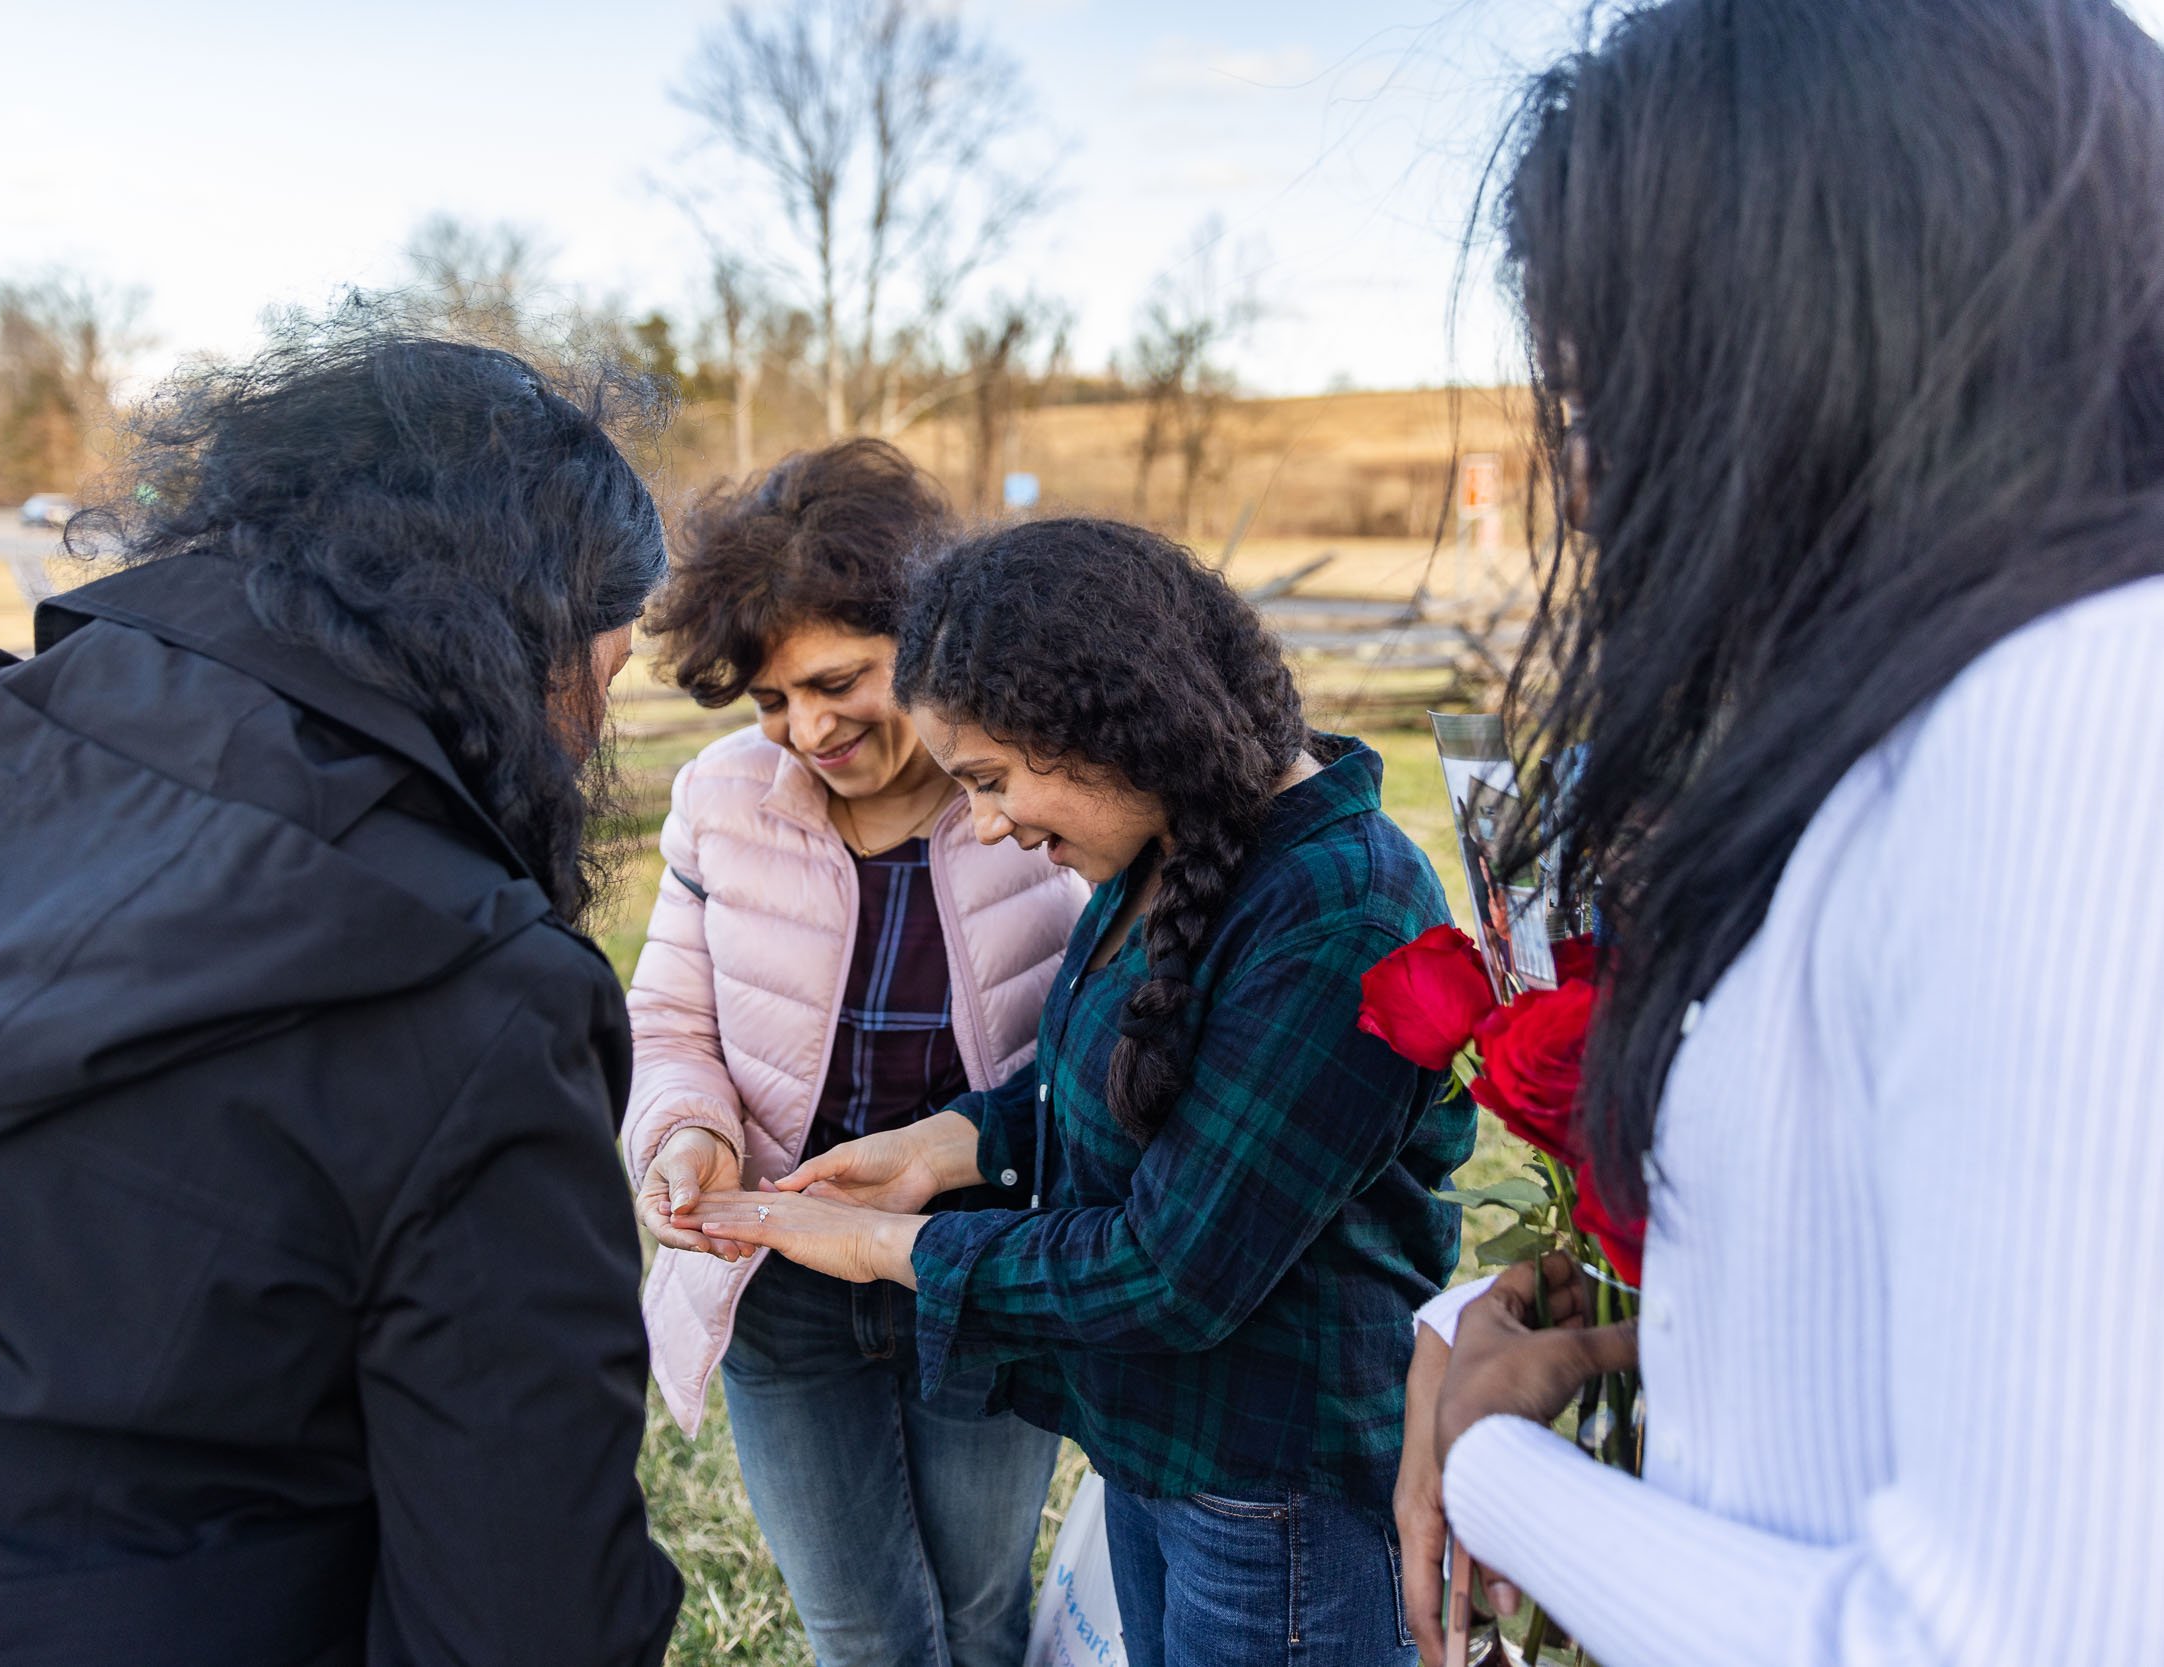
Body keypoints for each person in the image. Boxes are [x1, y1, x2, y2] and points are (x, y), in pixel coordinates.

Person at [0, 319, 683, 1665]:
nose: (592, 740)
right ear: (515, 641)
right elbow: (525, 1616)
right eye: (601, 678)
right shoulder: (475, 999)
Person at [1392, 1, 2164, 1662]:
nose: (1589, 491)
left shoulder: (2075, 711)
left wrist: (1500, 1470)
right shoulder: (1915, 731)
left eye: (1613, 407)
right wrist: (1573, 1347)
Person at [675, 517, 1475, 1667]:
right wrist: (944, 1146)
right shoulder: (1168, 844)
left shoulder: (1331, 914)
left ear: (1105, 716)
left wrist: (886, 1248)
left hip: (1269, 1494)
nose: (990, 822)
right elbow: (1107, 1085)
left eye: (993, 780)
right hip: (1164, 1448)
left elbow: (1172, 1268)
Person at [625, 439, 1082, 1667]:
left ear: (931, 642)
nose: (806, 728)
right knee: (861, 1630)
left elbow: (1104, 1049)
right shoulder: (722, 799)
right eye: (773, 699)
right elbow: (669, 1022)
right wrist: (690, 1133)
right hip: (783, 1273)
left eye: (838, 681)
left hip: (979, 1264)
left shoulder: (1037, 792)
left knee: (982, 1611)